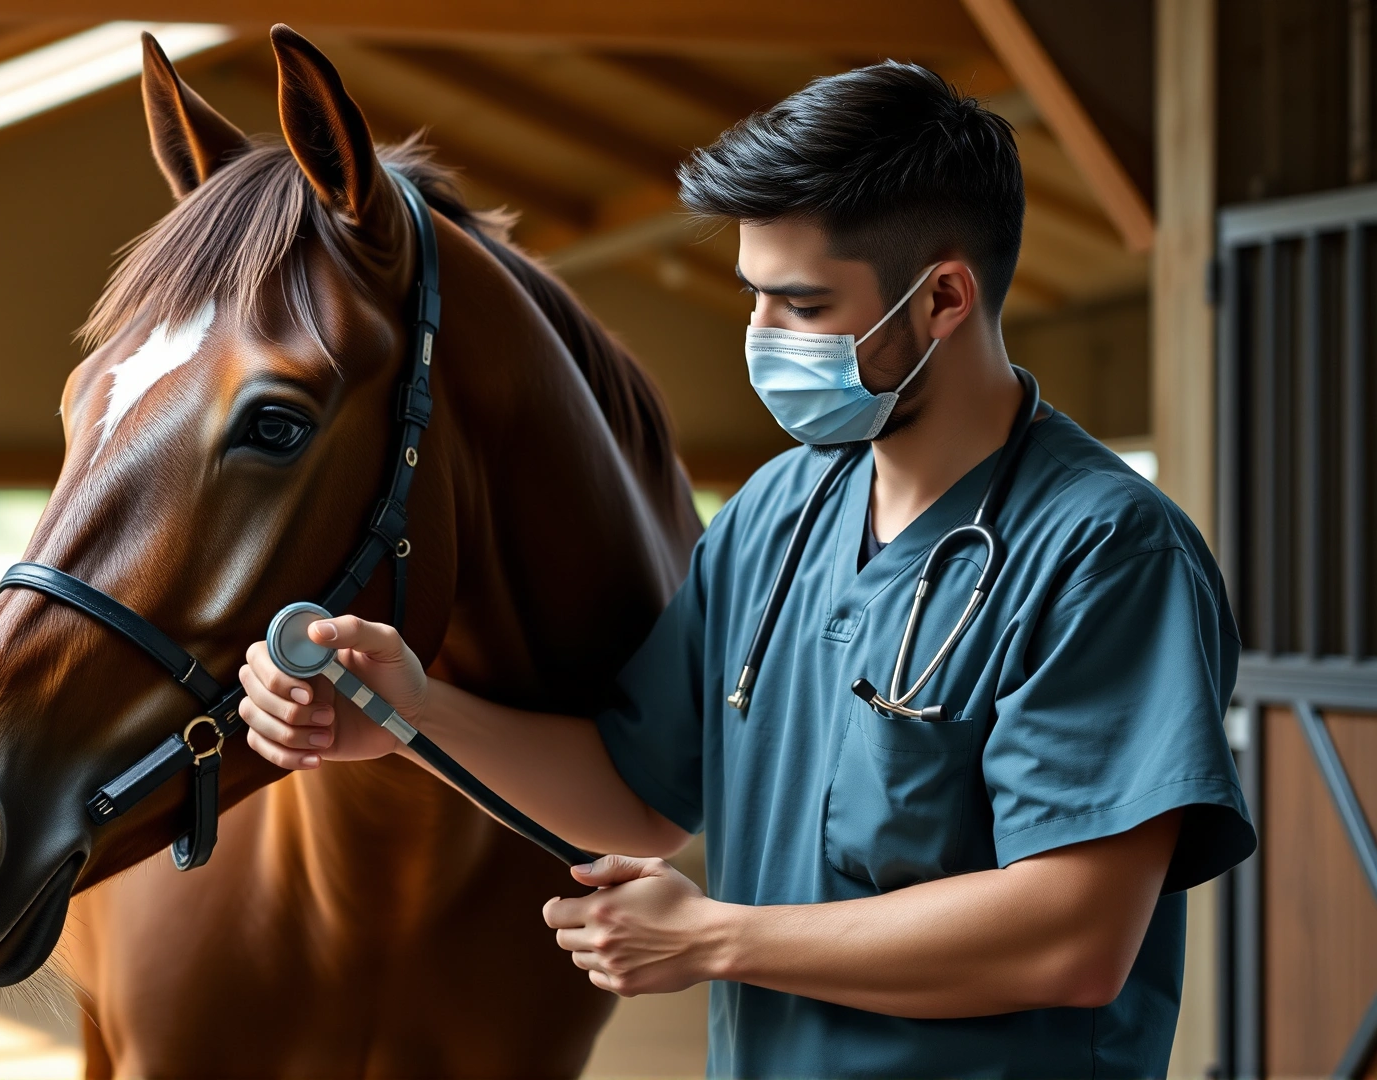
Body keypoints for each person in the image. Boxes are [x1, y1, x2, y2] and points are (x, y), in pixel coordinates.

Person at [237, 62, 1255, 1078]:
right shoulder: (776, 512)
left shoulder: (1104, 552)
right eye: (754, 297)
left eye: (803, 306)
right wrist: (411, 718)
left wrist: (713, 938)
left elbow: (1073, 936)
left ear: (944, 296)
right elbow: (641, 796)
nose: (763, 339)